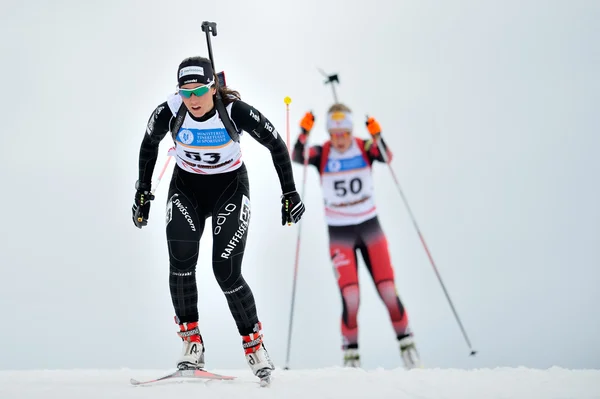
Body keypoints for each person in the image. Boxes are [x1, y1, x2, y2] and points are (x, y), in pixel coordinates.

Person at [131, 56, 306, 382]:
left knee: (226, 272)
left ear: (213, 86)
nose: (193, 99)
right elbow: (149, 143)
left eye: (199, 90)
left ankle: (254, 346)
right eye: (186, 92)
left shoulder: (235, 110)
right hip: (187, 189)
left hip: (230, 189)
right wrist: (143, 192)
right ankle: (191, 343)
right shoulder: (171, 111)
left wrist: (290, 193)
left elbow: (276, 144)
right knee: (181, 261)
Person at [291, 103, 420, 369]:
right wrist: (304, 130)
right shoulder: (322, 152)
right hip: (340, 234)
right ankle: (351, 356)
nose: (340, 138)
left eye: (345, 132)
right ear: (329, 132)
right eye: (335, 133)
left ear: (351, 130)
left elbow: (386, 156)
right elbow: (296, 155)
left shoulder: (364, 147)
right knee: (351, 297)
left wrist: (377, 134)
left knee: (387, 291)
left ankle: (407, 345)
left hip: (369, 228)